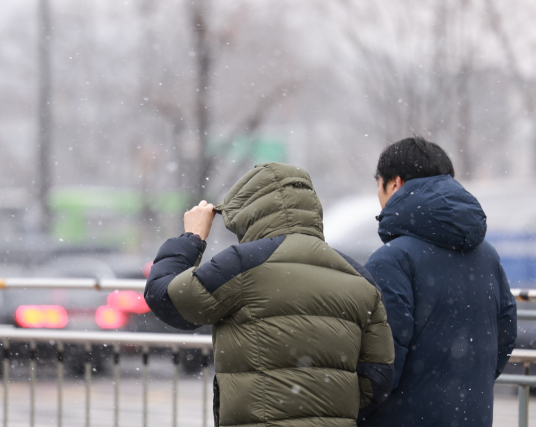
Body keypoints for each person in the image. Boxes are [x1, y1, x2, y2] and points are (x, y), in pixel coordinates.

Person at [145, 163, 395, 427]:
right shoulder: (359, 277)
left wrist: (192, 237)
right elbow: (376, 377)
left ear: (248, 212)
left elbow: (167, 298)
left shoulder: (242, 263)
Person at [361, 136, 517, 427]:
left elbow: (381, 363)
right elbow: (505, 335)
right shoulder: (487, 256)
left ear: (394, 184)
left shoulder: (392, 260)